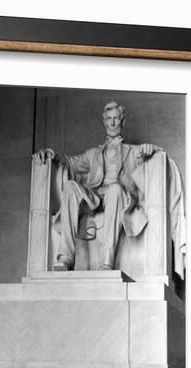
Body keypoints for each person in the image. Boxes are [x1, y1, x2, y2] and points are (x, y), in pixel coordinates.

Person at [33, 100, 161, 271]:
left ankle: (106, 262)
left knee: (115, 189)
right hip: (94, 197)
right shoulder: (93, 154)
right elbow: (70, 162)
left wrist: (148, 149)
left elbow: (159, 154)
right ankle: (65, 258)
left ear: (122, 121)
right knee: (71, 186)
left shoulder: (133, 151)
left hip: (118, 196)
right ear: (104, 122)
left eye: (116, 118)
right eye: (109, 119)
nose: (112, 122)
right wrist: (52, 154)